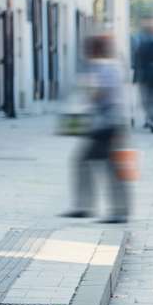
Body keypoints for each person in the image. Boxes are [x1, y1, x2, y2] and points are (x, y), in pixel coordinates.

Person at [62, 34, 129, 223]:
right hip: (107, 123)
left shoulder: (104, 67)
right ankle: (89, 206)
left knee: (107, 166)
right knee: (91, 163)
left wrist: (88, 94)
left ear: (95, 49)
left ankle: (113, 210)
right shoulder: (109, 66)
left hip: (108, 125)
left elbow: (100, 93)